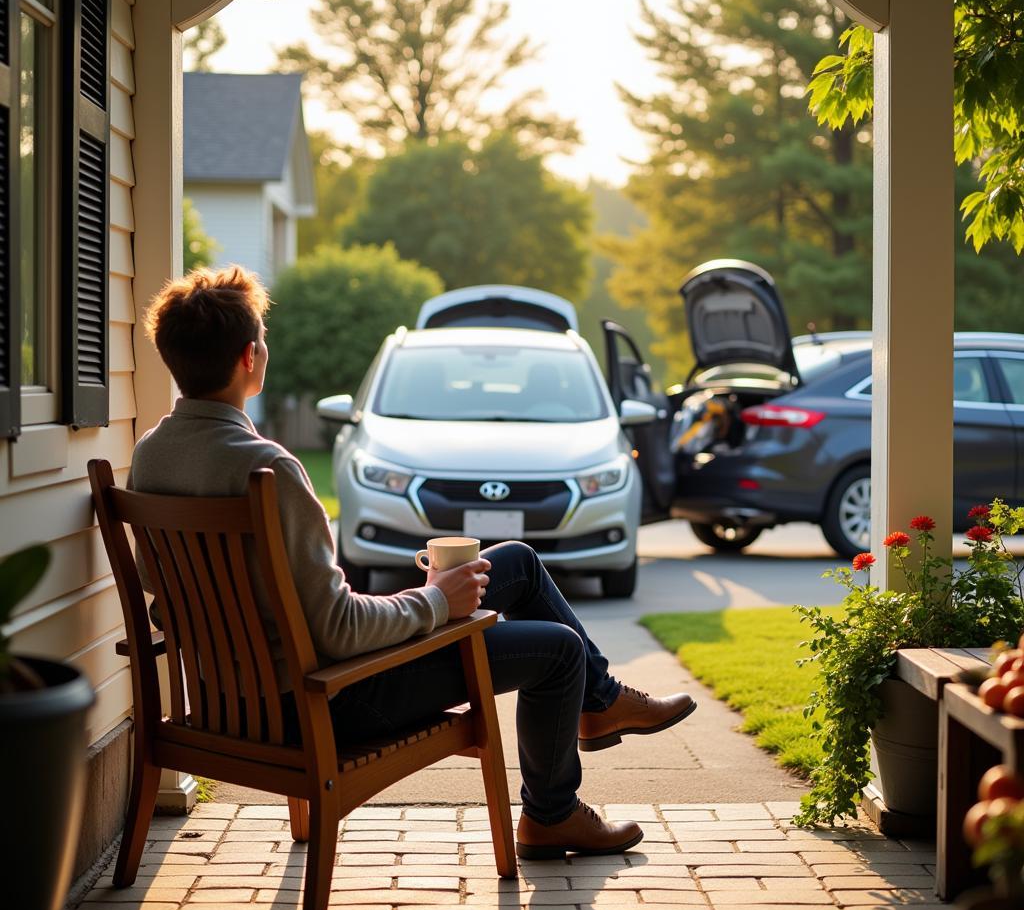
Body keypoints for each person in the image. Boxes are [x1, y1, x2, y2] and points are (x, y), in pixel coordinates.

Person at [130, 266, 697, 859]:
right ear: (250, 357)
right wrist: (435, 601)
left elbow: (156, 582)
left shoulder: (150, 457)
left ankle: (601, 703)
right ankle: (552, 812)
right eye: (264, 340)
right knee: (557, 650)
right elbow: (338, 630)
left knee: (518, 564)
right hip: (326, 700)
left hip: (233, 697)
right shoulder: (270, 472)